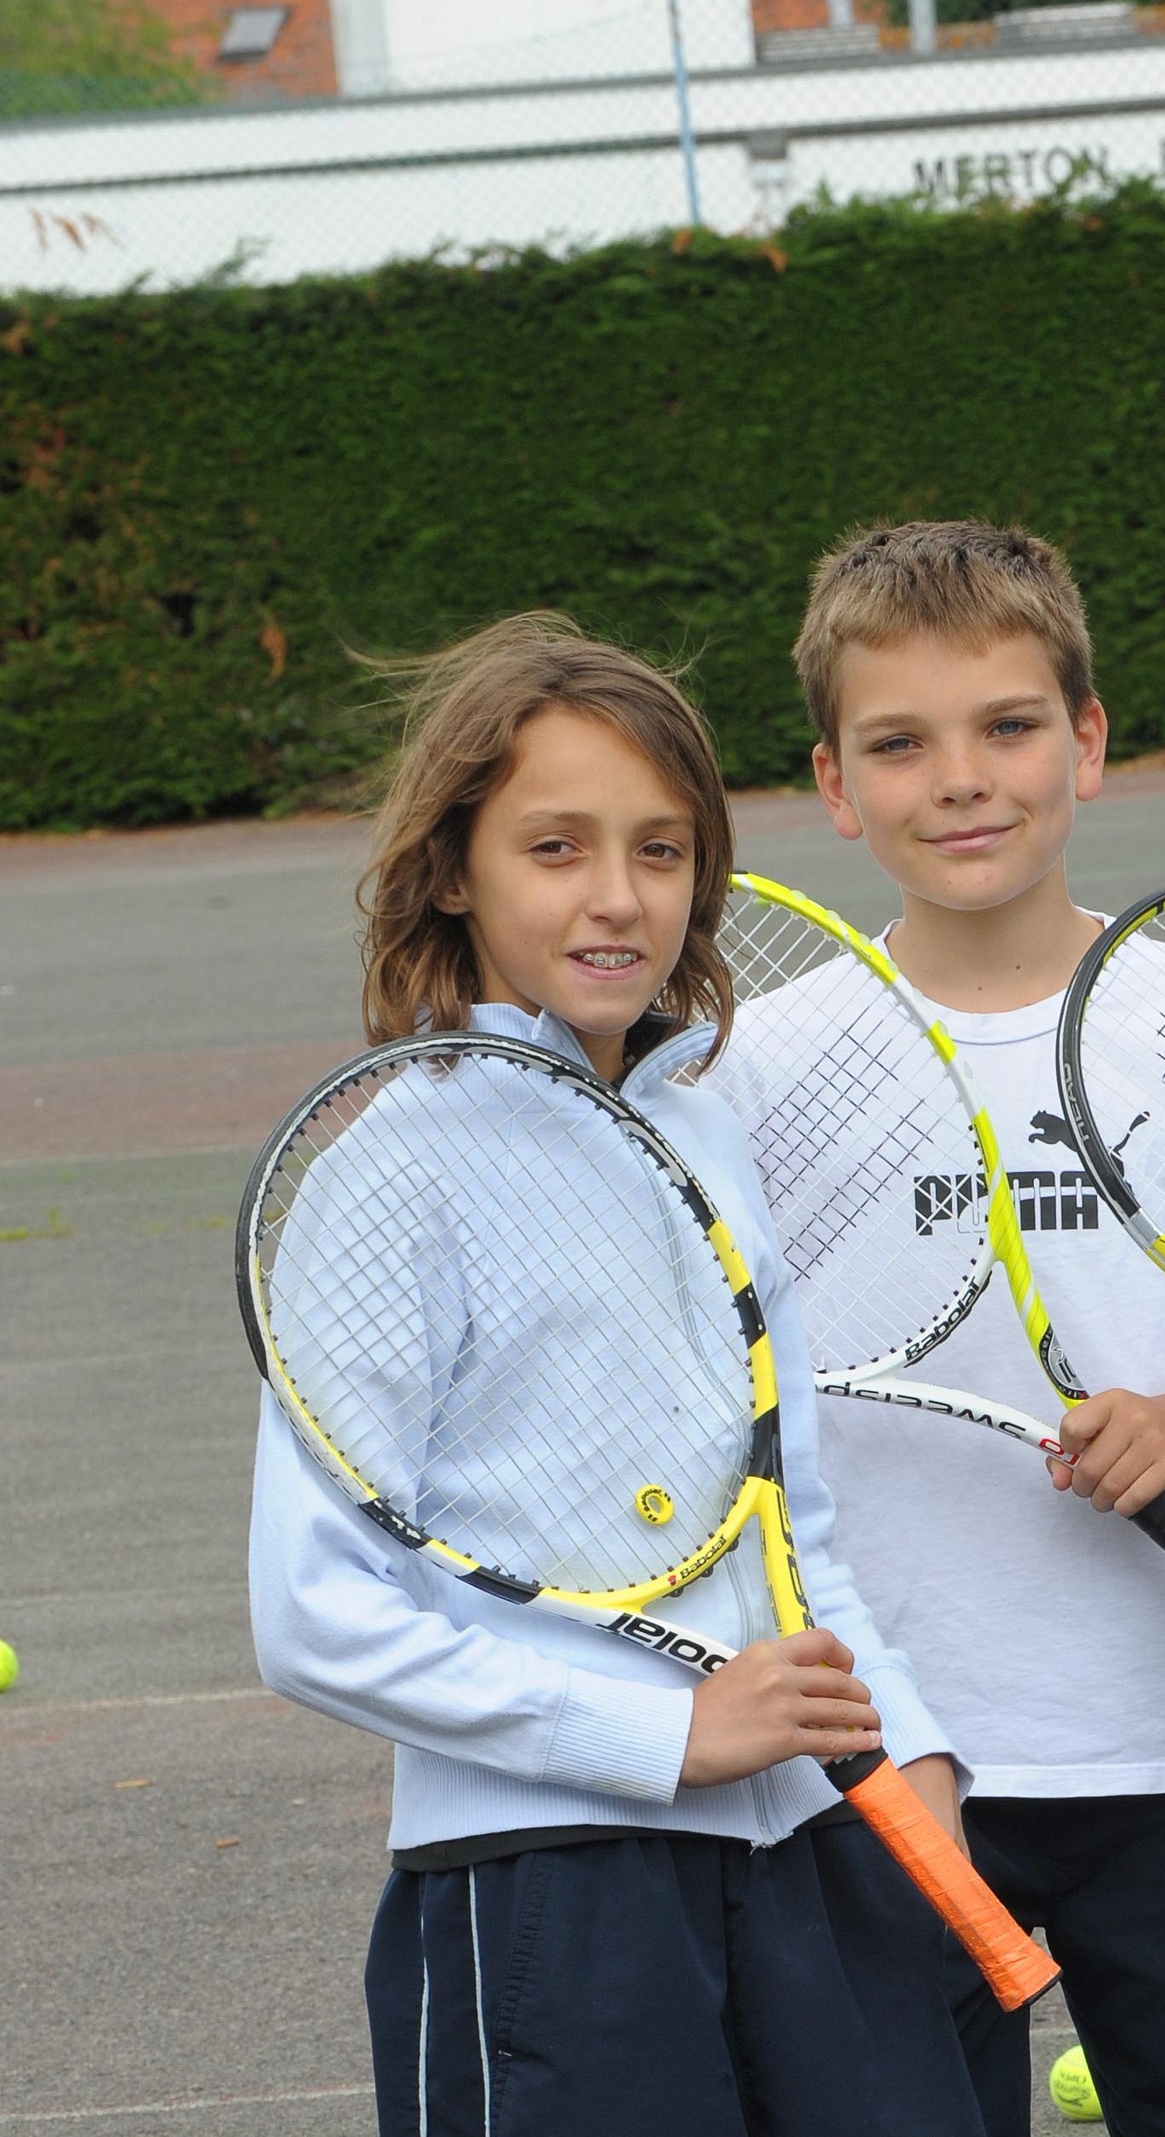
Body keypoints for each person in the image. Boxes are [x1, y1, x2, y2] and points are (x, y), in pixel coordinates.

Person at [248, 613, 983, 2137]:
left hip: (804, 1846)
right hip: (541, 1886)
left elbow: (790, 1522)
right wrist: (661, 1739)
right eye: (556, 848)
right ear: (454, 870)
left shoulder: (697, 1126)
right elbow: (311, 1613)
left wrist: (908, 1750)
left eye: (659, 851)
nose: (616, 898)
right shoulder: (388, 1168)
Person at [703, 521, 1165, 2137]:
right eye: (900, 745)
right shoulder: (763, 1056)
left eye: (1006, 726)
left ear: (1086, 740)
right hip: (894, 1758)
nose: (961, 779)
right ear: (835, 786)